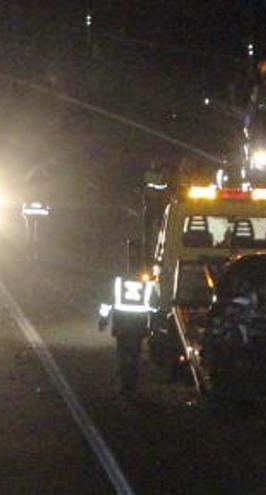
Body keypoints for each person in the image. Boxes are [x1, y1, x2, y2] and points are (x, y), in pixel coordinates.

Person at [98, 248, 157, 400]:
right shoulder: (148, 283)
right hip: (138, 325)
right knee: (135, 356)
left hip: (121, 323)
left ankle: (125, 386)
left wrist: (103, 320)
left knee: (122, 355)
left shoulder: (119, 281)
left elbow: (107, 302)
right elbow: (154, 306)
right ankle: (132, 386)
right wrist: (156, 323)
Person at [142, 161, 169, 253]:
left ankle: (157, 243)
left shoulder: (162, 174)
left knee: (160, 225)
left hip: (158, 202)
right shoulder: (148, 174)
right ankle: (147, 246)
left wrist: (154, 187)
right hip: (150, 202)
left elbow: (164, 186)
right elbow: (145, 185)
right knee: (148, 226)